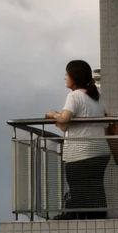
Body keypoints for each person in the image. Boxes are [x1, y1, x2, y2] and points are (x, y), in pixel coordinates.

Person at [46, 59, 110, 218]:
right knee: (96, 189)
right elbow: (67, 126)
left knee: (78, 189)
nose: (65, 78)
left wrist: (54, 115)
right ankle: (99, 219)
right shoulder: (97, 97)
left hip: (80, 153)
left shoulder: (74, 96)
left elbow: (64, 118)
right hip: (100, 151)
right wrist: (61, 122)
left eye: (66, 75)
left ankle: (75, 219)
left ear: (74, 76)